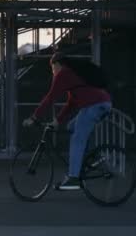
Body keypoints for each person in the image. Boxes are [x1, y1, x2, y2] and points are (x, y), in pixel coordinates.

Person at [23, 52, 112, 190]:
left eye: (52, 68)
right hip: (99, 103)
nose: (53, 72)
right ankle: (93, 158)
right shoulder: (72, 74)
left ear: (57, 64)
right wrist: (58, 121)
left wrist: (34, 117)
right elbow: (71, 103)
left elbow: (50, 97)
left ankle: (73, 177)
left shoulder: (64, 73)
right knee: (72, 127)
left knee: (77, 139)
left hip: (94, 106)